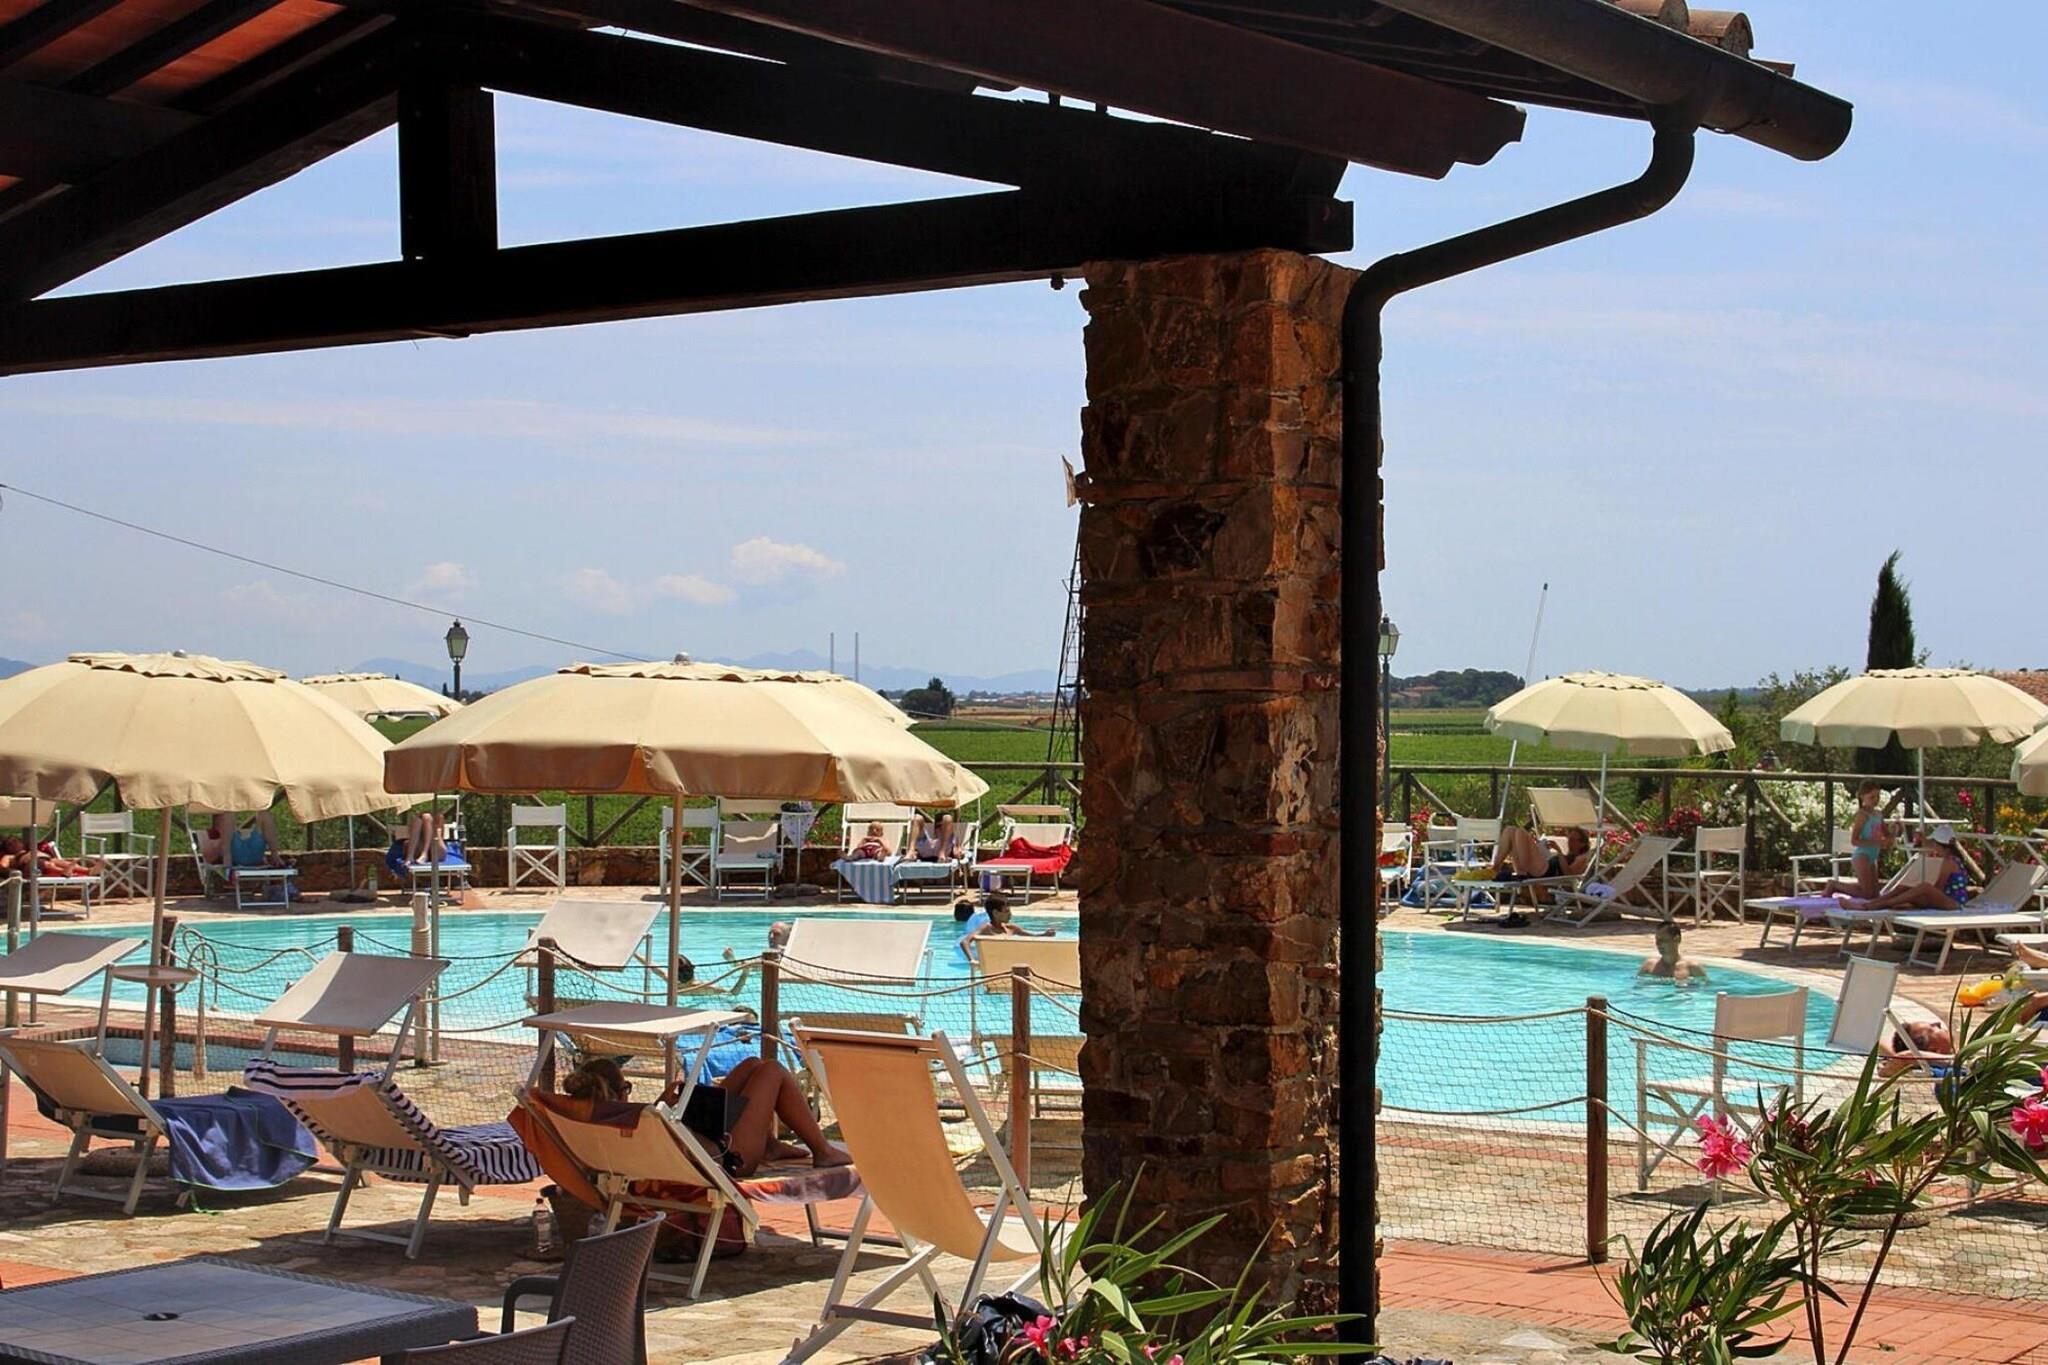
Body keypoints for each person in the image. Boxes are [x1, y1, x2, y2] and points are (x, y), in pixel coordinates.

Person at [562, 1056, 849, 1177]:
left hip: (696, 1147)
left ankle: (770, 1145)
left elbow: (656, 1140)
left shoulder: (595, 1123)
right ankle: (822, 1151)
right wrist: (664, 1110)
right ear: (620, 1091)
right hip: (726, 1159)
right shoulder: (633, 1117)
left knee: (752, 1065)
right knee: (771, 1070)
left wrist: (664, 1108)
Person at [1836, 824, 1972, 912]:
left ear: (1941, 845)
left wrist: (1916, 897)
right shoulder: (1952, 859)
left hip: (1953, 903)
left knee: (1924, 887)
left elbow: (1938, 888)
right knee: (1905, 888)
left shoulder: (1949, 862)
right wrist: (1911, 896)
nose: (1934, 847)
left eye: (1935, 844)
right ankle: (1872, 903)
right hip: (1947, 899)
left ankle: (1871, 906)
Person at [1817, 780, 1890, 899]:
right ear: (1862, 797)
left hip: (1873, 856)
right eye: (1872, 797)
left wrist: (1896, 830)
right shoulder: (1862, 815)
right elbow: (1854, 841)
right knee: (1867, 894)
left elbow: (1887, 835)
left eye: (1878, 796)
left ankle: (1837, 886)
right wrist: (1877, 842)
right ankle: (1834, 885)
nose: (1876, 800)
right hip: (1862, 855)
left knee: (1874, 895)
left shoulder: (1878, 814)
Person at [961, 894, 1052, 962]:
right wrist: (972, 960)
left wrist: (1045, 934)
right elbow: (964, 942)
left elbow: (1033, 937)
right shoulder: (987, 928)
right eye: (1006, 911)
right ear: (995, 913)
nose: (1010, 914)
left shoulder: (1011, 928)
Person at [205, 810, 287, 868]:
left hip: (255, 853)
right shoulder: (217, 839)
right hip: (231, 853)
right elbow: (210, 855)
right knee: (228, 815)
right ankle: (226, 856)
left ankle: (275, 855)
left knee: (265, 814)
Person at [1639, 921, 1707, 984]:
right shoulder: (1649, 966)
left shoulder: (1693, 968)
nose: (1658, 944)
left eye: (1662, 940)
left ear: (1677, 939)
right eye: (1657, 940)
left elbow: (1704, 989)